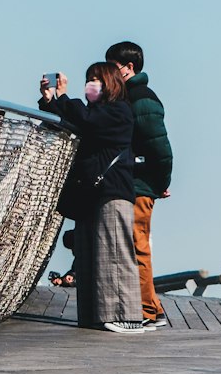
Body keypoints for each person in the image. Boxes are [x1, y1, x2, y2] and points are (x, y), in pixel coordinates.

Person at [39, 62, 144, 332]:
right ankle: (94, 316)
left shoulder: (119, 111)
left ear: (111, 83)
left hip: (112, 191)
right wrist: (50, 101)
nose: (91, 84)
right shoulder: (96, 112)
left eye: (97, 79)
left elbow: (86, 121)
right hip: (90, 192)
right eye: (89, 80)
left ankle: (126, 316)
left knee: (115, 254)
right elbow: (72, 122)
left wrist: (63, 97)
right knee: (88, 256)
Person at [104, 41, 173, 329]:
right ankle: (153, 310)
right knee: (136, 245)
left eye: (113, 67)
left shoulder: (141, 99)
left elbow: (160, 146)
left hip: (140, 184)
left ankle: (143, 311)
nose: (109, 73)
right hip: (139, 182)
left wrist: (160, 182)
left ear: (129, 67)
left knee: (136, 247)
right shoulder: (132, 97)